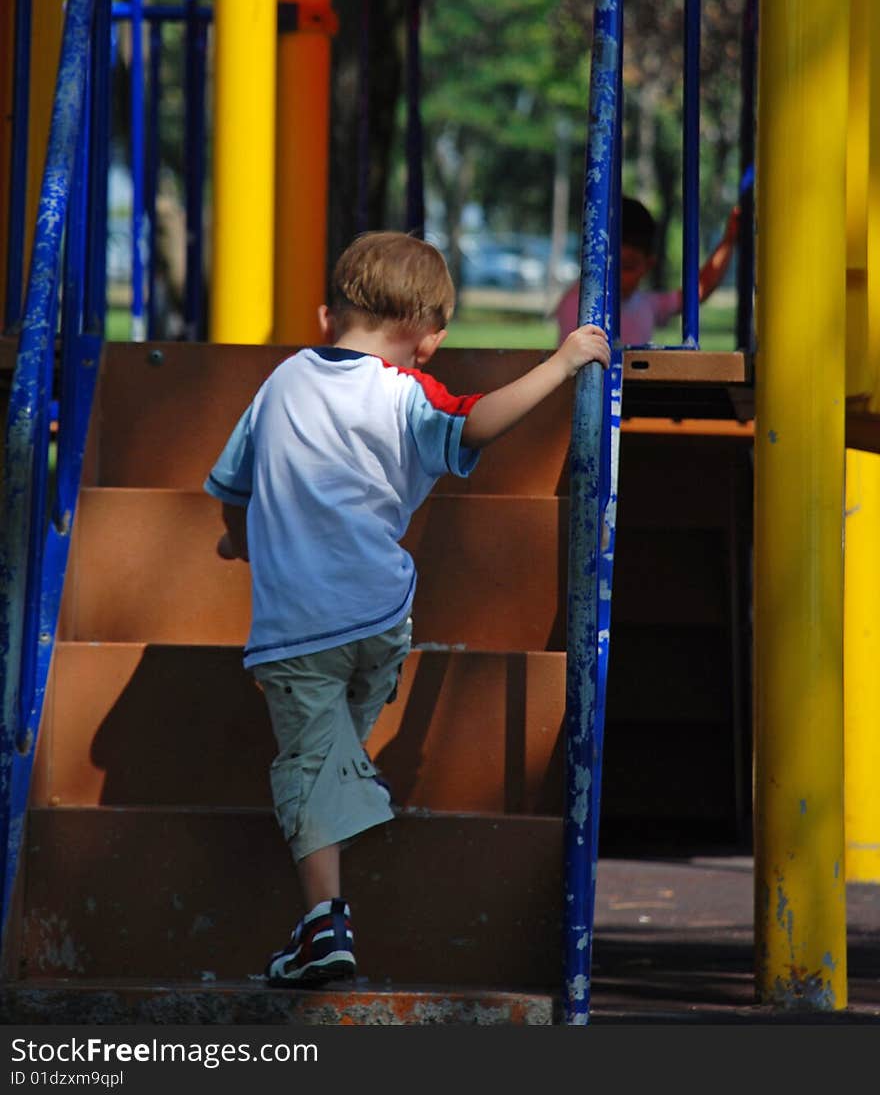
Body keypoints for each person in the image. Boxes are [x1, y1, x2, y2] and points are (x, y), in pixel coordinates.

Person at [204, 229, 610, 989]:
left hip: (299, 629)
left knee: (308, 765)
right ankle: (344, 803)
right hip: (384, 619)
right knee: (331, 748)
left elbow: (235, 489)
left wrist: (244, 542)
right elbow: (475, 423)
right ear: (428, 338)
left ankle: (324, 927)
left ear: (332, 315)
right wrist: (562, 361)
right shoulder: (405, 393)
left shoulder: (282, 381)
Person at [554, 196, 741, 346]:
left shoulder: (645, 304)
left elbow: (696, 293)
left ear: (647, 266)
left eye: (628, 266)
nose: (615, 277)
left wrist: (728, 240)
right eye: (607, 267)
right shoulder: (578, 306)